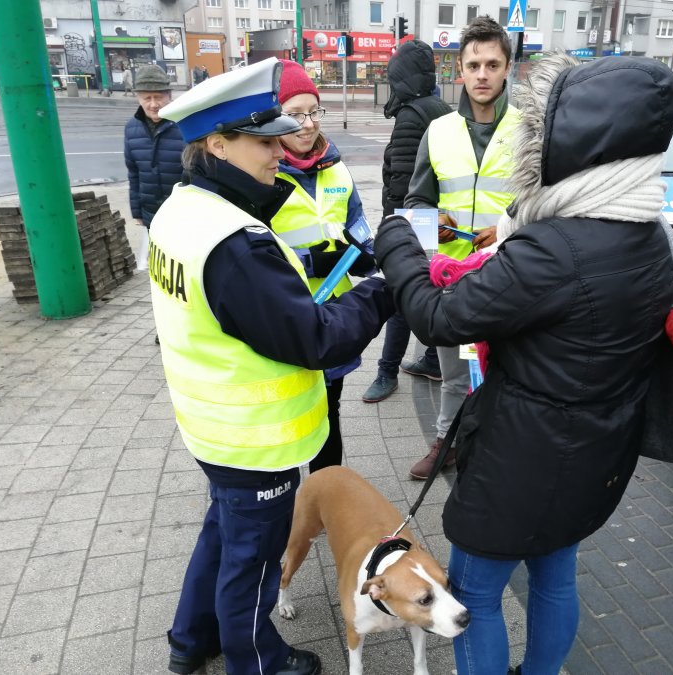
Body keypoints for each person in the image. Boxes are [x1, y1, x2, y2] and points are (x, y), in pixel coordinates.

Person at [374, 54, 673, 675]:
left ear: (570, 142)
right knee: (554, 577)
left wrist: (397, 240)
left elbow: (438, 317)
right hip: (596, 450)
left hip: (524, 459)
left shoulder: (552, 247)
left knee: (478, 595)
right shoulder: (649, 232)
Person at [151, 57, 394, 675]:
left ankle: (189, 638)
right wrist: (383, 290)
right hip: (255, 438)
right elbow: (316, 339)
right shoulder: (235, 242)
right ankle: (257, 662)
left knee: (222, 532)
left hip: (213, 427)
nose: (279, 152)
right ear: (216, 144)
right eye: (262, 141)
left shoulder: (181, 210)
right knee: (253, 560)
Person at [402, 15, 520, 479]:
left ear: (508, 67)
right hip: (454, 279)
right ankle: (447, 441)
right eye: (474, 64)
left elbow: (549, 205)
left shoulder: (532, 131)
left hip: (513, 275)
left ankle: (500, 450)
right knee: (457, 372)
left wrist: (507, 229)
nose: (483, 74)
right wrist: (437, 228)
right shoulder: (440, 131)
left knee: (511, 372)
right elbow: (414, 203)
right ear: (460, 71)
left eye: (493, 63)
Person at [270, 59, 376, 472]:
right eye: (295, 114)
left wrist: (370, 254)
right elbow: (245, 255)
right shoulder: (260, 172)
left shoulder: (337, 167)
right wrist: (311, 260)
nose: (307, 124)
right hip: (284, 315)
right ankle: (284, 505)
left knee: (329, 414)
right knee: (285, 416)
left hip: (332, 317)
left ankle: (327, 497)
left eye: (313, 111)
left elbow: (358, 227)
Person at [362, 39, 452, 404]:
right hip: (438, 216)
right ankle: (432, 360)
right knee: (436, 289)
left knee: (401, 297)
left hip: (412, 219)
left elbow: (401, 181)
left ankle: (386, 372)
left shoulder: (411, 116)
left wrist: (393, 234)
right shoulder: (444, 108)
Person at [123, 64, 185, 276]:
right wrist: (137, 210)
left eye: (158, 97)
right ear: (138, 98)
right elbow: (134, 173)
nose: (153, 104)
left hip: (183, 210)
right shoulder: (132, 128)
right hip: (152, 211)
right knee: (163, 267)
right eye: (146, 98)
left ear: (169, 96)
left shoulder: (185, 124)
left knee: (184, 262)